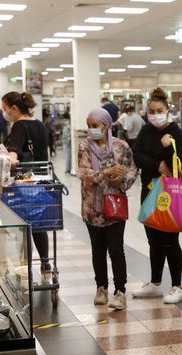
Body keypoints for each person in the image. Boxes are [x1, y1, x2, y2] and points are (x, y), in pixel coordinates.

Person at [131, 88, 182, 304]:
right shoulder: (146, 131)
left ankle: (176, 286)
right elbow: (137, 155)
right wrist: (157, 164)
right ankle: (155, 283)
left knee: (170, 240)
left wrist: (168, 148)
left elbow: (176, 165)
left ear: (167, 110)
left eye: (159, 110)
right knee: (153, 239)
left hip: (170, 192)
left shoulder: (177, 134)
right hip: (148, 189)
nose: (155, 114)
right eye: (152, 111)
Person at [78, 108, 138, 310]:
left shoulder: (121, 146)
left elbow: (132, 169)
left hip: (114, 206)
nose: (92, 130)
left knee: (116, 249)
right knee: (97, 250)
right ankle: (101, 288)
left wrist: (122, 180)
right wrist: (106, 172)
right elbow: (85, 173)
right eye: (89, 126)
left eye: (95, 125)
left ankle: (120, 292)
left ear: (106, 125)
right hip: (92, 208)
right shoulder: (84, 146)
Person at [1, 91, 53, 282]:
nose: (5, 112)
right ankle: (46, 263)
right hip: (42, 181)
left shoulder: (19, 126)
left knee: (24, 226)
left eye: (6, 108)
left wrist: (11, 158)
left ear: (14, 108)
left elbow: (14, 149)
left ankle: (25, 267)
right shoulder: (39, 124)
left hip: (25, 182)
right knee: (39, 225)